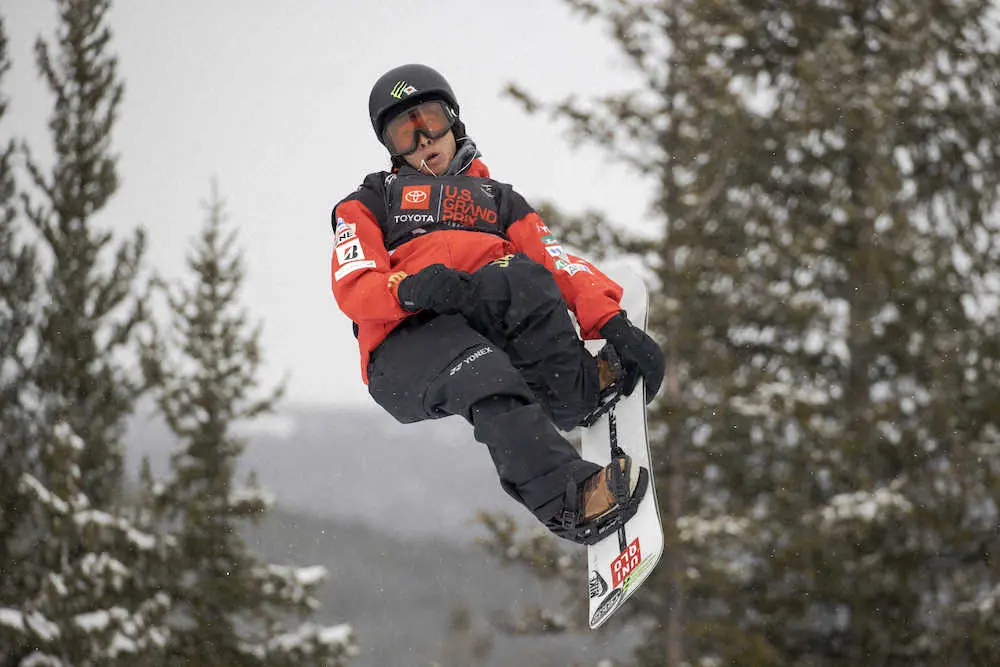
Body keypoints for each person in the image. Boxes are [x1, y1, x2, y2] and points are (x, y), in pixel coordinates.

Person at [329, 64, 665, 545]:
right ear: (391, 148)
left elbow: (555, 262)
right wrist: (408, 288)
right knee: (483, 372)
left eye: (431, 120)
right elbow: (353, 282)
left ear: (453, 121)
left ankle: (574, 387)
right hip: (404, 346)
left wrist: (612, 323)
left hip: (477, 319)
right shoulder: (370, 202)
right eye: (406, 133)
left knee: (522, 277)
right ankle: (568, 499)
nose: (424, 140)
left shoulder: (498, 202)